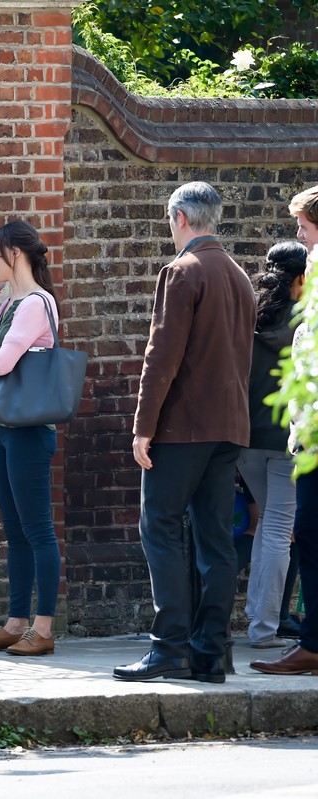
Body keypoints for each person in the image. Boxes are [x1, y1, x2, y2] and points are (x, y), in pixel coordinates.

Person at [113, 181, 255, 684]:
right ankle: (211, 652)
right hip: (230, 427)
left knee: (160, 527)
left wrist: (142, 427)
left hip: (183, 426)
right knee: (216, 540)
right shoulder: (239, 276)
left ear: (180, 219)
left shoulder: (182, 271)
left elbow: (161, 358)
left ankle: (168, 646)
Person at [0, 220, 63, 657]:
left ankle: (42, 629)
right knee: (16, 531)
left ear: (15, 255)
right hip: (4, 427)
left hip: (30, 431)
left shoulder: (37, 303)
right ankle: (16, 621)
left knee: (38, 529)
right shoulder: (9, 302)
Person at [252, 187, 318, 676]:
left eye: (304, 227)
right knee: (294, 531)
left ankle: (296, 636)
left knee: (294, 532)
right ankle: (295, 633)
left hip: (293, 435)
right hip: (296, 436)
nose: (301, 236)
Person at [237, 241, 305, 649]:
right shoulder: (307, 323)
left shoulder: (249, 317)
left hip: (246, 440)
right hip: (286, 441)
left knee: (268, 528)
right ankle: (264, 628)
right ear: (301, 277)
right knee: (280, 530)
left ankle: (256, 616)